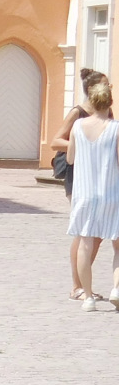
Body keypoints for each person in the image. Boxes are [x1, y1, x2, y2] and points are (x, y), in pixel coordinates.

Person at [52, 69, 110, 299]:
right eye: (106, 84)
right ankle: (77, 286)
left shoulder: (107, 111)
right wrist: (85, 144)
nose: (110, 88)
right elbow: (56, 141)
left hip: (99, 174)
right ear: (93, 88)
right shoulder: (79, 112)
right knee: (84, 229)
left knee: (97, 233)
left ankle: (85, 284)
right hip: (77, 174)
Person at [66, 76, 119, 311]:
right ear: (109, 102)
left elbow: (70, 158)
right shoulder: (116, 129)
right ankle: (116, 287)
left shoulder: (78, 126)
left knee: (85, 245)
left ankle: (87, 297)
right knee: (117, 246)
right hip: (111, 193)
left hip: (85, 193)